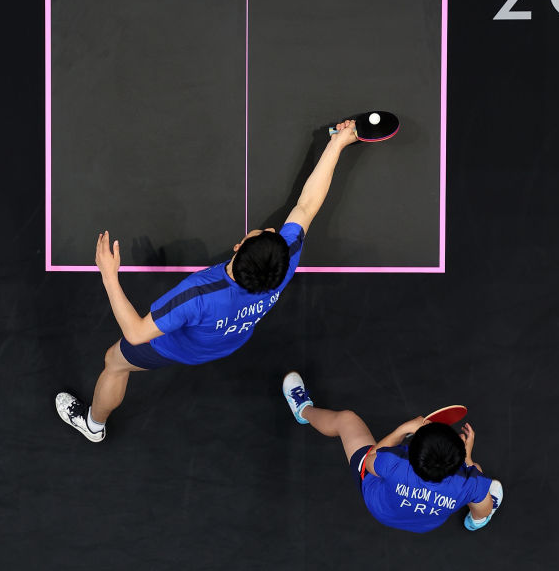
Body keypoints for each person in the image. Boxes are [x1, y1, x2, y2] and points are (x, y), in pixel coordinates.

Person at [55, 120, 360, 442]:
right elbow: (307, 205)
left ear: (239, 247)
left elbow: (136, 332)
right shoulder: (285, 259)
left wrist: (108, 275)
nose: (272, 229)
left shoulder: (198, 294)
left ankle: (93, 425)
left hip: (174, 347)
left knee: (114, 362)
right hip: (227, 341)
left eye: (263, 233)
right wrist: (337, 144)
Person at [281, 372, 503, 532]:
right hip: (426, 524)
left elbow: (370, 461)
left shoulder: (393, 463)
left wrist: (404, 429)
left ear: (408, 450)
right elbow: (472, 477)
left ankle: (303, 410)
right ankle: (475, 522)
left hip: (381, 507)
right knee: (480, 484)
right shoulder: (469, 481)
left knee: (346, 420)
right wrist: (468, 459)